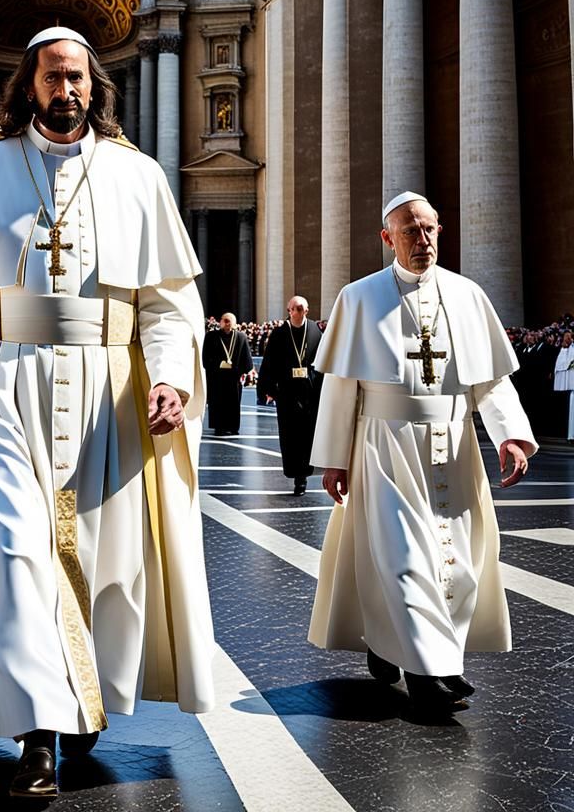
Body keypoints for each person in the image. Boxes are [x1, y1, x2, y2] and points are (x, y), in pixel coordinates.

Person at [0, 26, 214, 802]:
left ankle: (79, 700)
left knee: (106, 567)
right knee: (17, 558)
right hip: (3, 390)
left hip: (110, 393)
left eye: (80, 78)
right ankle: (38, 735)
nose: (68, 90)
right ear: (27, 86)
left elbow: (164, 307)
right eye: (54, 77)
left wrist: (171, 380)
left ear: (97, 87)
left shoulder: (139, 178)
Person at [307, 191, 537, 716]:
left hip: (453, 447)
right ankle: (427, 674)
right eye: (409, 230)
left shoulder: (468, 295)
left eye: (429, 229)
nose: (422, 239)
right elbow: (341, 387)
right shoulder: (359, 298)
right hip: (385, 447)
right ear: (387, 238)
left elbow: (490, 381)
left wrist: (511, 435)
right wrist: (334, 457)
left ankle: (422, 651)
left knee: (455, 561)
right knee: (406, 559)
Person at [256, 295, 323, 495]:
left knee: (307, 435)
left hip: (309, 393)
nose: (296, 312)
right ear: (288, 311)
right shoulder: (279, 333)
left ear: (307, 310)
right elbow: (269, 363)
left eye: (300, 308)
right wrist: (267, 389)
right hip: (287, 393)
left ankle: (303, 475)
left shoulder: (315, 331)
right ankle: (296, 475)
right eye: (293, 308)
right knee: (290, 435)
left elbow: (323, 361)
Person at [202, 311, 252, 435]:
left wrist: (244, 371)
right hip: (217, 377)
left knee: (233, 403)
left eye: (229, 321)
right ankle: (219, 427)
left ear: (234, 323)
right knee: (217, 403)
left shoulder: (241, 337)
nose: (227, 323)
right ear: (220, 322)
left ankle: (233, 427)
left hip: (234, 377)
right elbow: (205, 356)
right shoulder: (211, 336)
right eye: (225, 320)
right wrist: (213, 367)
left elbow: (246, 356)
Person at [553, 330, 574, 442]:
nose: (566, 338)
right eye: (565, 336)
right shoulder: (564, 349)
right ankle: (571, 435)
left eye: (568, 336)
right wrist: (564, 348)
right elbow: (562, 364)